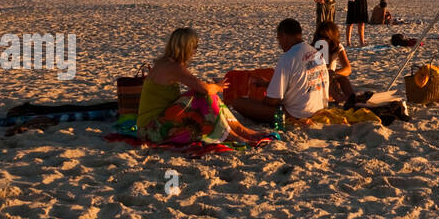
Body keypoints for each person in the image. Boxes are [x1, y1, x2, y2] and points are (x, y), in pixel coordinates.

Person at [137, 27, 270, 145]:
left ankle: (241, 131)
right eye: (195, 47)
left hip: (151, 125)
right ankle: (233, 135)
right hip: (151, 130)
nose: (195, 51)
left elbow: (196, 88)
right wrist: (218, 86)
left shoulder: (164, 63)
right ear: (188, 48)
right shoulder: (173, 67)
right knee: (207, 96)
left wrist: (210, 88)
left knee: (203, 96)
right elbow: (204, 89)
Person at [230, 19, 330, 125]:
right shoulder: (316, 53)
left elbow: (272, 100)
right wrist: (267, 84)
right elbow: (301, 83)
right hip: (319, 108)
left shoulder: (288, 57)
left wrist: (262, 101)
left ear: (284, 36)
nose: (280, 44)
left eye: (279, 39)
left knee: (238, 103)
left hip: (298, 113)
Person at [314, 20, 357, 108]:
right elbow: (319, 69)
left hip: (331, 78)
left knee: (342, 77)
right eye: (320, 36)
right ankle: (339, 98)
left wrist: (335, 73)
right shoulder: (315, 48)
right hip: (317, 80)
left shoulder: (337, 47)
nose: (322, 39)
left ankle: (352, 99)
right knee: (328, 75)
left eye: (325, 37)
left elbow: (348, 69)